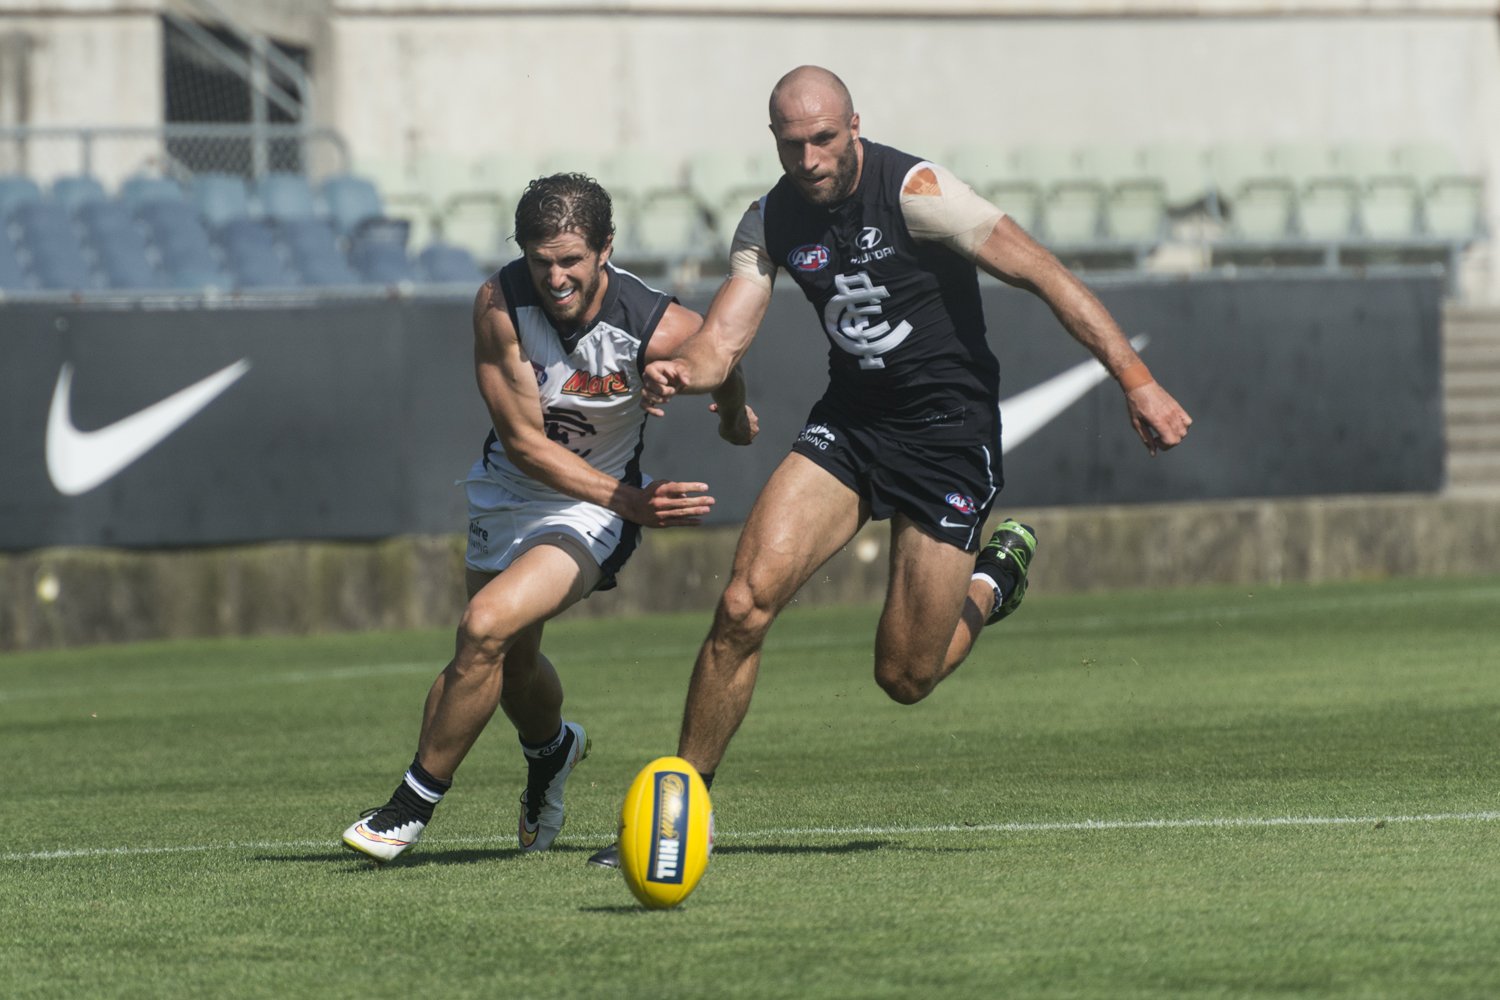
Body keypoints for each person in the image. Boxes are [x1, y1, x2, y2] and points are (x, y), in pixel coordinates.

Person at [588, 66, 1191, 868]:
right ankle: (679, 813)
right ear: (773, 141)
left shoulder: (919, 192)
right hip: (852, 425)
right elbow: (723, 339)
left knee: (904, 677)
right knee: (741, 604)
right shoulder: (767, 220)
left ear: (854, 126)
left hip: (948, 438)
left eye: (823, 139)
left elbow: (1045, 273)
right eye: (791, 144)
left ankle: (993, 580)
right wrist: (682, 370)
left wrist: (1136, 380)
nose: (808, 159)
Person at [342, 173, 758, 863]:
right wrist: (633, 501)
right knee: (511, 662)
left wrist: (730, 412)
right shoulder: (498, 306)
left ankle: (408, 809)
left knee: (484, 626)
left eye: (571, 260)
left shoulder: (656, 323)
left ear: (605, 249)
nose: (556, 278)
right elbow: (525, 445)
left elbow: (720, 356)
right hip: (510, 490)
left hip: (593, 508)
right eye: (541, 261)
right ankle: (552, 750)